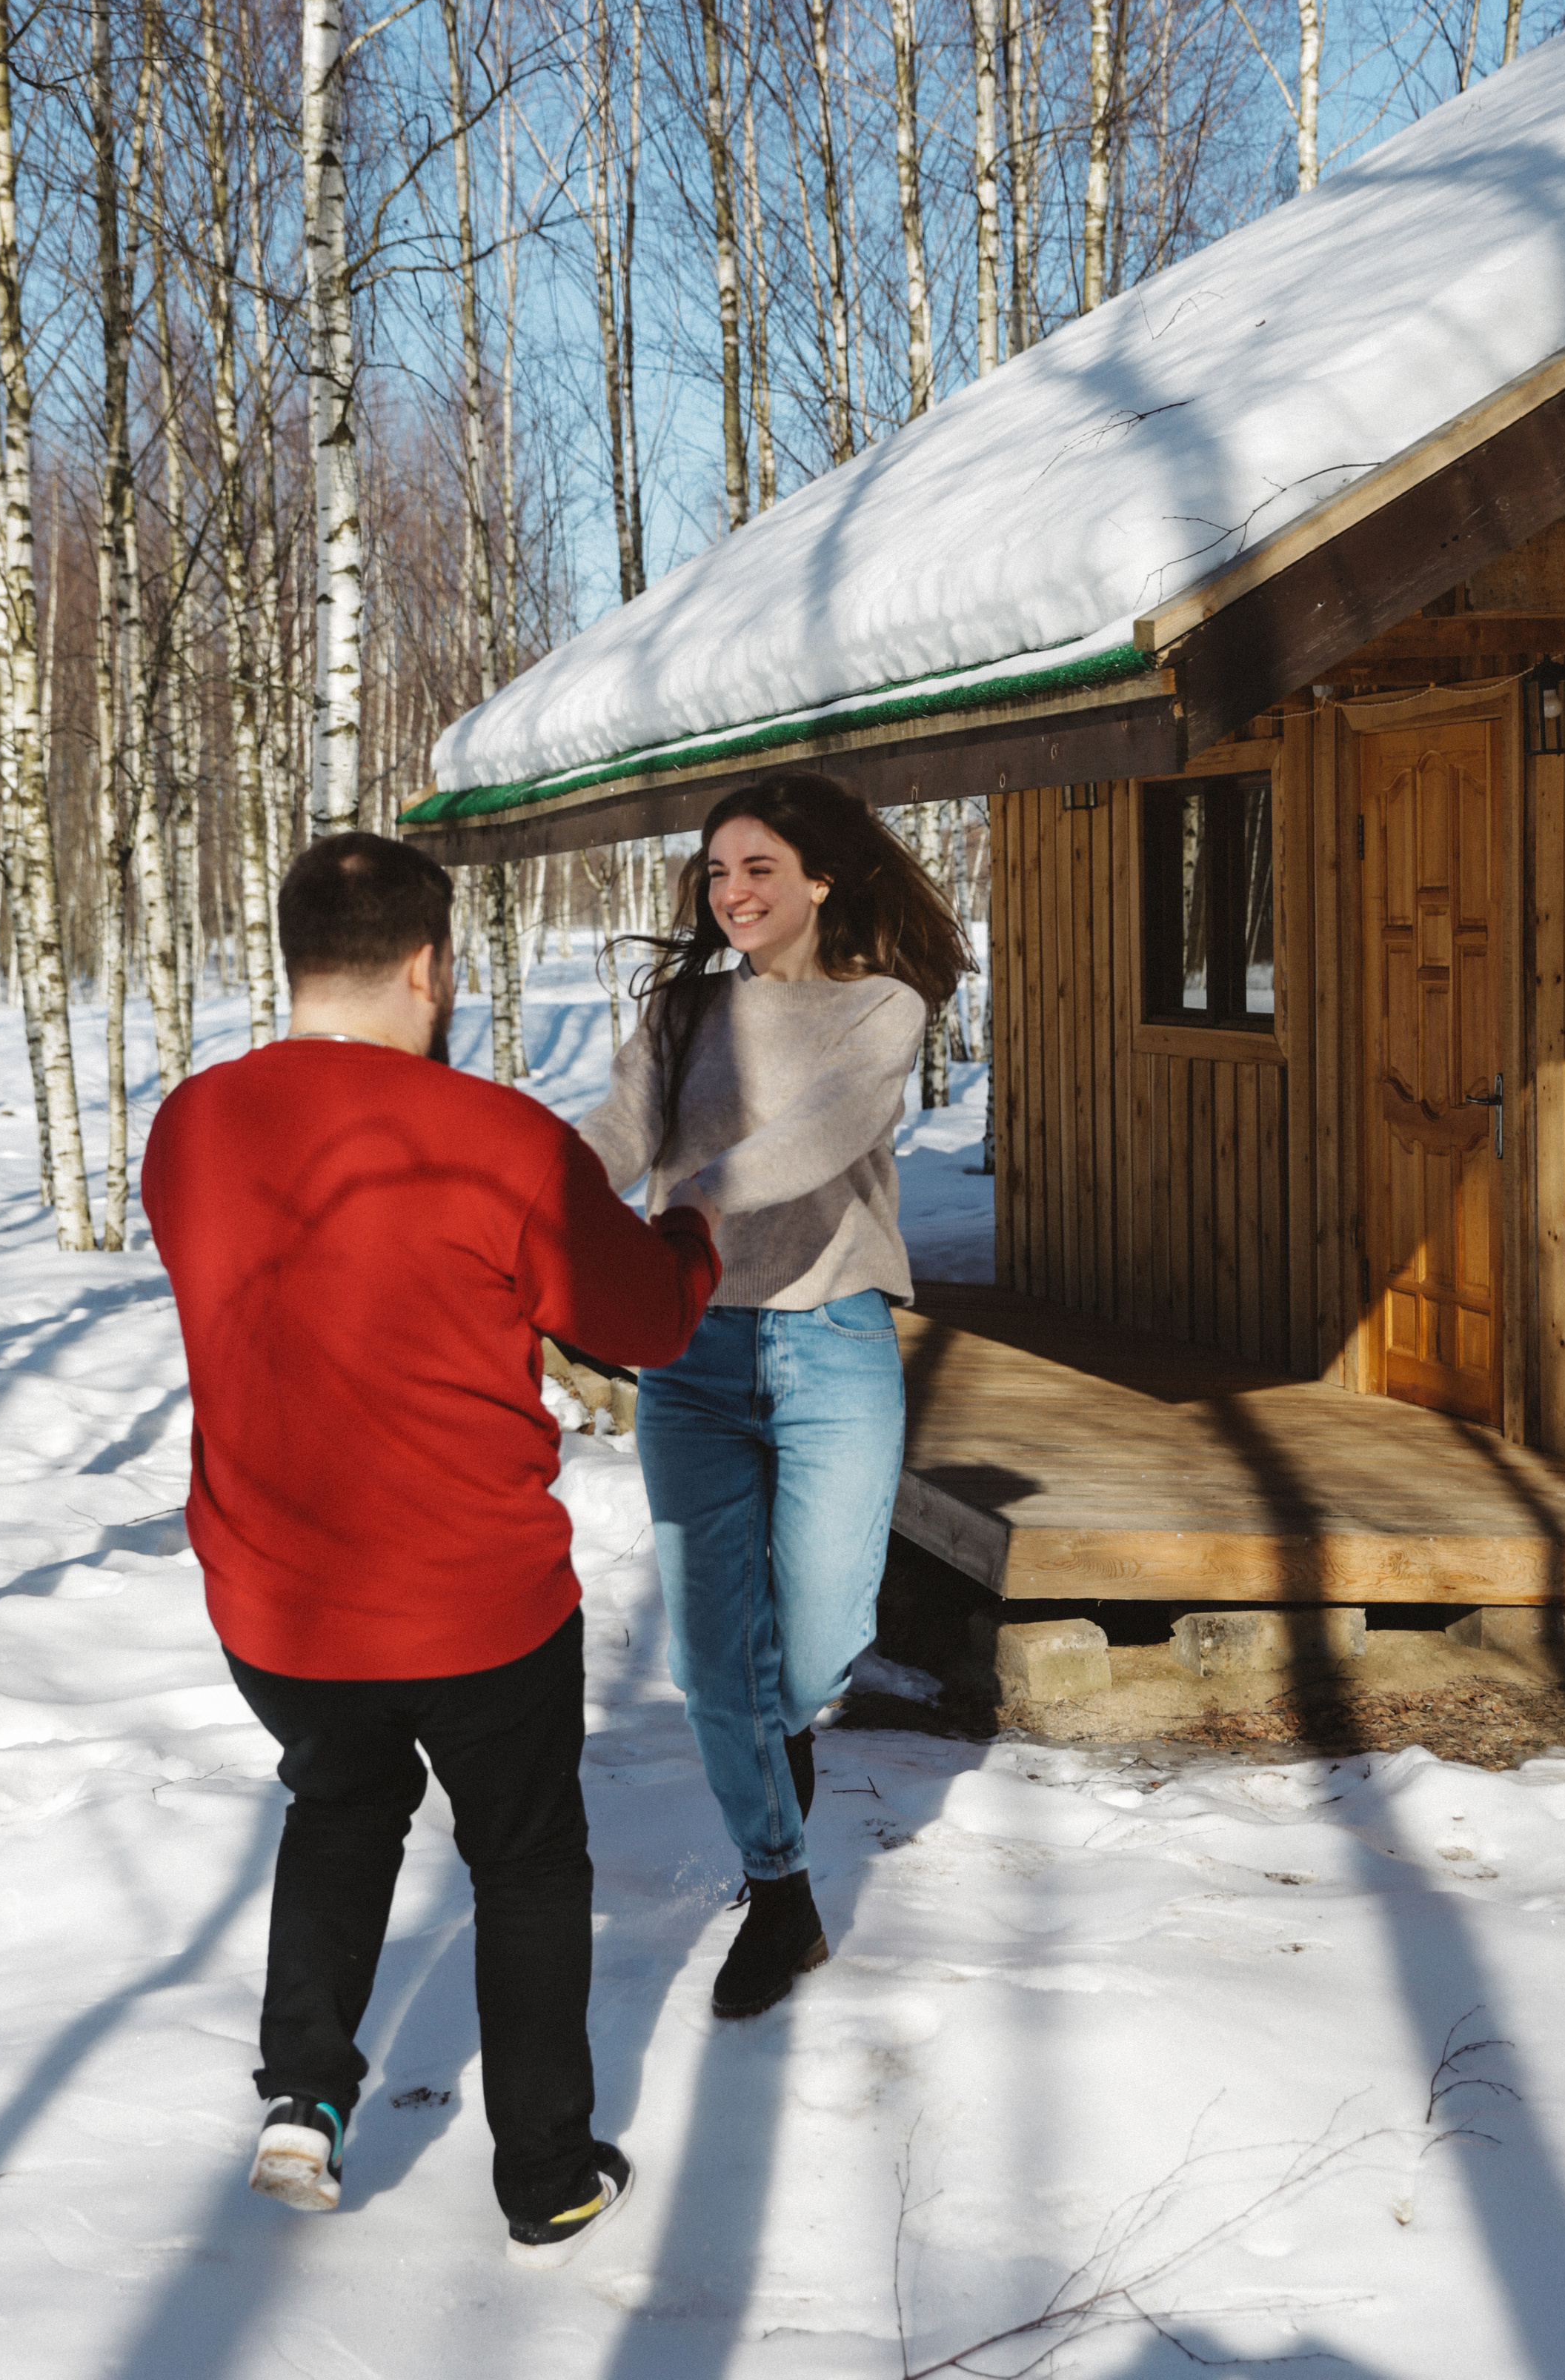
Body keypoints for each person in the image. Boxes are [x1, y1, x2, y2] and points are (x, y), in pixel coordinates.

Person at [140, 834, 720, 2265]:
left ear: (294, 960)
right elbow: (645, 1322)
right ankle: (548, 2176)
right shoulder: (499, 1138)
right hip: (475, 1603)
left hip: (278, 1603)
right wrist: (692, 1232)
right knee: (525, 1863)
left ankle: (304, 2095)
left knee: (340, 1807)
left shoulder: (191, 1126)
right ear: (431, 966)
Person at [578, 774, 967, 2021]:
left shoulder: (882, 1008)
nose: (733, 893)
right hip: (691, 1355)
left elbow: (817, 1137)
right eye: (717, 872)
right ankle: (780, 1892)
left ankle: (769, 1741)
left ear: (821, 879)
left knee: (813, 1647)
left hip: (831, 1346)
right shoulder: (686, 1012)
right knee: (713, 1660)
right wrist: (539, 1187)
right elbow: (616, 1134)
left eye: (759, 868)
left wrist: (700, 1194)